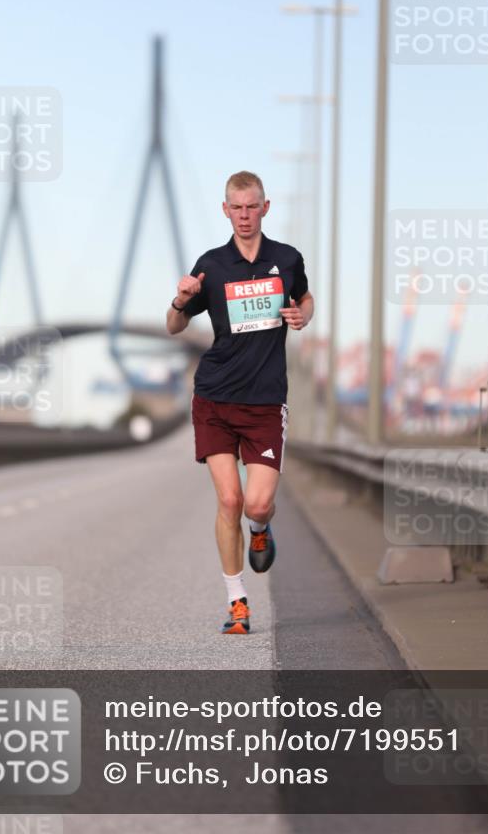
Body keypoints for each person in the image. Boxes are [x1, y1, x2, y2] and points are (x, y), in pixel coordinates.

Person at [166, 171, 314, 634]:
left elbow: (305, 297)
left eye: (253, 207)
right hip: (214, 397)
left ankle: (261, 528)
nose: (245, 215)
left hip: (267, 402)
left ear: (265, 208)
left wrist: (301, 315)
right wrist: (182, 298)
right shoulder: (212, 264)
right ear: (225, 210)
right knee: (229, 499)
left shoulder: (286, 259)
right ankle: (238, 603)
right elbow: (174, 325)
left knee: (257, 504)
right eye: (237, 207)